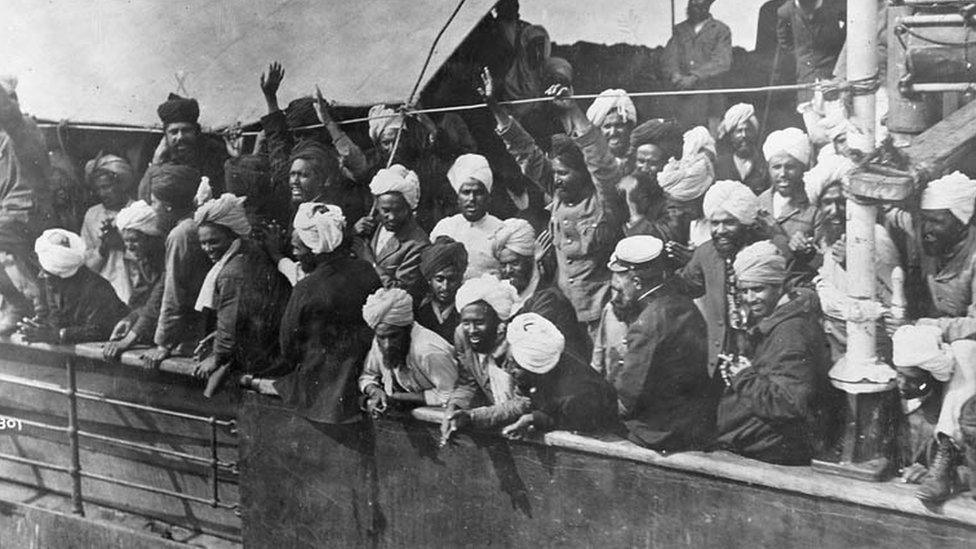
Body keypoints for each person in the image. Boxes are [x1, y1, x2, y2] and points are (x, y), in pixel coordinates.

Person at [483, 78, 625, 340]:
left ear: (584, 174)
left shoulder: (603, 202)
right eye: (555, 172)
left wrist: (572, 110)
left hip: (601, 316)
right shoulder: (558, 193)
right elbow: (525, 151)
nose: (556, 179)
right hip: (565, 315)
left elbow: (600, 161)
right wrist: (496, 108)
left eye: (564, 173)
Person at [714, 240, 835, 464]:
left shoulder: (790, 332)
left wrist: (743, 377)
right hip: (770, 439)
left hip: (779, 448)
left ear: (779, 286)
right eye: (745, 290)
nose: (750, 298)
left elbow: (790, 404)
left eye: (758, 289)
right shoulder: (779, 319)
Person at [270, 204, 381, 423]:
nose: (295, 255)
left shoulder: (306, 289)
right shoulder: (367, 271)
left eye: (297, 250)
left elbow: (288, 347)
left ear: (314, 249)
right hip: (363, 377)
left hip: (319, 393)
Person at [606, 235, 717, 451]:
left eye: (620, 281)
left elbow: (627, 398)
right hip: (693, 424)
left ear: (637, 282)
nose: (618, 289)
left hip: (659, 432)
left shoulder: (648, 322)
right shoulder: (683, 305)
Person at [192, 193, 291, 396]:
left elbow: (231, 320)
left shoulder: (232, 272)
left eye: (214, 242)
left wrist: (217, 357)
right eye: (203, 243)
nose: (207, 249)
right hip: (271, 343)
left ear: (233, 235)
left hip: (262, 355)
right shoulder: (251, 251)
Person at [672, 180, 767, 378]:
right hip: (721, 358)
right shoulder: (706, 252)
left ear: (746, 223)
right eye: (715, 223)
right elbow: (686, 285)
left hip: (761, 356)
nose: (720, 230)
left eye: (729, 222)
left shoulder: (765, 252)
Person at [812, 178, 899, 361]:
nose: (835, 211)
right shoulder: (827, 237)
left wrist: (853, 264)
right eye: (827, 203)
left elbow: (893, 299)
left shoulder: (876, 236)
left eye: (842, 202)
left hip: (871, 339)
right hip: (834, 335)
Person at [498, 313, 620, 439]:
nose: (510, 370)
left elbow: (576, 420)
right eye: (511, 361)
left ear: (534, 370)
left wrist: (534, 418)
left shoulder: (577, 391)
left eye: (517, 366)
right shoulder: (546, 369)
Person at [892, 325, 976, 502]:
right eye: (899, 375)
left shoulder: (954, 411)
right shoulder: (888, 399)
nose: (902, 384)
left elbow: (970, 467)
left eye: (913, 380)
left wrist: (936, 472)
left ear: (931, 376)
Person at [0, 76, 56, 334]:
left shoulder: (25, 129)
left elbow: (10, 116)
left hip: (30, 211)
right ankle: (22, 302)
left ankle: (19, 304)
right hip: (11, 213)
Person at [142, 165, 211, 368]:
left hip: (196, 334)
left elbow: (174, 293)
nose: (152, 209)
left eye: (154, 202)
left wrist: (163, 343)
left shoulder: (181, 234)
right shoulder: (196, 222)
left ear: (168, 205)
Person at [440, 274, 523, 438]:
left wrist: (474, 417)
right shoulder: (462, 337)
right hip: (496, 421)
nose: (471, 331)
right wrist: (453, 407)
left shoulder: (517, 345)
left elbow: (523, 403)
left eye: (479, 323)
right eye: (466, 323)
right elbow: (467, 382)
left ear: (500, 324)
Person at [492, 217, 589, 358]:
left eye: (514, 263)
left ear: (531, 259)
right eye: (502, 264)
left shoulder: (549, 299)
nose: (507, 271)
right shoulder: (500, 294)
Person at [17, 229, 127, 344]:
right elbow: (57, 318)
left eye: (46, 272)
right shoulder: (54, 282)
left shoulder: (96, 288)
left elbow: (100, 330)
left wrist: (56, 335)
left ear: (62, 274)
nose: (41, 276)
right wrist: (42, 325)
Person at [359, 287, 458, 415]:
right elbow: (367, 376)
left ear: (408, 328)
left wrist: (398, 398)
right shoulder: (380, 339)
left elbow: (452, 395)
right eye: (382, 337)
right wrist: (375, 391)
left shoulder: (429, 350)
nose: (387, 344)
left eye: (394, 336)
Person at [102, 201, 166, 360]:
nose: (129, 247)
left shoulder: (167, 259)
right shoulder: (145, 259)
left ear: (151, 238)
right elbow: (141, 300)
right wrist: (128, 319)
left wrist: (127, 340)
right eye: (126, 241)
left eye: (134, 240)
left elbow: (155, 303)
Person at [352, 165, 430, 298]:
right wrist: (353, 232)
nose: (392, 217)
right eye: (386, 210)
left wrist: (370, 262)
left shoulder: (418, 244)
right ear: (376, 206)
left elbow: (400, 292)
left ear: (409, 207)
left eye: (399, 210)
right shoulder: (373, 225)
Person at [137, 93, 228, 200]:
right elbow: (143, 201)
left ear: (196, 131)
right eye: (174, 132)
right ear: (165, 135)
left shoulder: (213, 151)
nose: (180, 137)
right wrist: (156, 163)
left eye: (186, 130)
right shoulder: (154, 153)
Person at [429, 153, 504, 280]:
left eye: (478, 193)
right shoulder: (445, 228)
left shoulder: (501, 230)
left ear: (488, 197)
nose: (472, 199)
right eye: (466, 192)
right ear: (458, 197)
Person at [662, 0, 732, 131]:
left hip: (710, 102)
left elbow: (722, 61)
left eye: (699, 3)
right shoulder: (679, 30)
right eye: (692, 3)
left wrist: (694, 77)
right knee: (683, 141)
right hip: (683, 100)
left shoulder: (721, 30)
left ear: (708, 4)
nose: (694, 5)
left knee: (710, 144)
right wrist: (675, 75)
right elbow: (670, 57)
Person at [81, 155, 135, 303]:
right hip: (103, 293)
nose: (102, 193)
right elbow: (85, 262)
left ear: (121, 184)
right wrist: (102, 249)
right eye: (98, 189)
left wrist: (122, 245)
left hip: (136, 289)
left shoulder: (138, 211)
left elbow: (153, 258)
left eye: (106, 187)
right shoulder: (92, 215)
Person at [758, 128, 818, 260]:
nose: (782, 174)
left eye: (790, 167)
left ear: (803, 168)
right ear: (768, 169)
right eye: (776, 167)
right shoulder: (760, 202)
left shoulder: (813, 207)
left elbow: (821, 259)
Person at [657, 125, 717, 253]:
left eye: (682, 207)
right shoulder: (674, 221)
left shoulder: (721, 221)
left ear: (701, 197)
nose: (677, 213)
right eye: (672, 207)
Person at [776, 0, 847, 104]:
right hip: (806, 76)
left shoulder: (833, 4)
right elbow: (784, 40)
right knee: (809, 113)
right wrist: (802, 55)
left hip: (832, 73)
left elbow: (852, 23)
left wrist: (838, 44)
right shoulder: (785, 11)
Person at [415, 237, 468, 344]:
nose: (445, 286)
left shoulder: (466, 311)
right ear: (429, 279)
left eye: (452, 279)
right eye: (439, 279)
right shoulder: (419, 312)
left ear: (460, 279)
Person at [714, 104, 770, 196]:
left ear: (754, 133)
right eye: (739, 131)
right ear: (731, 136)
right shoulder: (720, 165)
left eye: (748, 130)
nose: (744, 135)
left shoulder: (764, 163)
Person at [586, 89, 637, 171]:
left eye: (619, 125)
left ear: (629, 127)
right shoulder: (589, 160)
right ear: (598, 129)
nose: (613, 132)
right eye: (607, 126)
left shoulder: (639, 159)